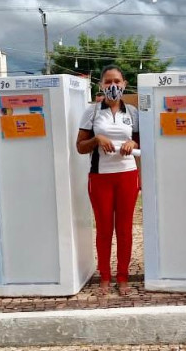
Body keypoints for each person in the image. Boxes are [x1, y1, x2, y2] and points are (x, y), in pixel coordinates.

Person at [76, 65, 139, 296]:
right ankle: (104, 276)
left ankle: (122, 278)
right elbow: (80, 147)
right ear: (101, 85)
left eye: (117, 81)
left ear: (124, 84)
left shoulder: (132, 112)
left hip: (127, 175)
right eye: (108, 81)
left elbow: (142, 142)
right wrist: (97, 139)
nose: (113, 86)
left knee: (124, 229)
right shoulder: (92, 112)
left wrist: (133, 143)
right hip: (100, 177)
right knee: (104, 229)